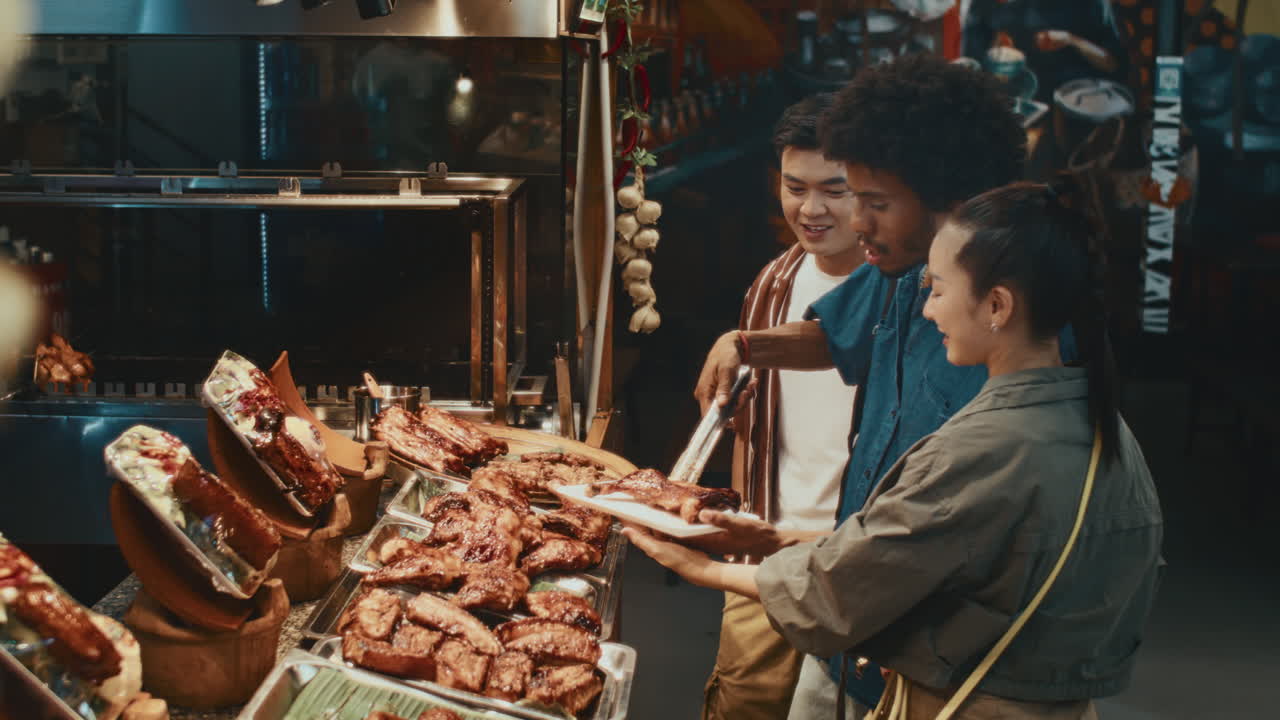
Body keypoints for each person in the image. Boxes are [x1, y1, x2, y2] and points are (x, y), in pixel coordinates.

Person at [631, 179, 1163, 719]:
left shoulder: (983, 446)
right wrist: (776, 537)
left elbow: (840, 590)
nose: (926, 312)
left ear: (997, 305)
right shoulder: (1110, 433)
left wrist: (702, 569)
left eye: (936, 290)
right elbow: (935, 545)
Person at [689, 53, 1029, 718]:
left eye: (873, 203)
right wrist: (747, 345)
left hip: (930, 653)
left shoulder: (1011, 334)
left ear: (952, 207)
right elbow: (835, 335)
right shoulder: (897, 268)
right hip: (849, 625)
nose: (857, 223)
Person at [703, 92, 863, 720]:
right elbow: (755, 427)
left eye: (835, 189)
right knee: (745, 705)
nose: (811, 208)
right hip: (767, 553)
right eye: (795, 187)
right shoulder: (773, 282)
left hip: (856, 558)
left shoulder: (914, 293)